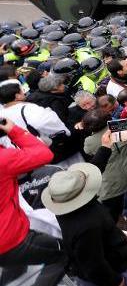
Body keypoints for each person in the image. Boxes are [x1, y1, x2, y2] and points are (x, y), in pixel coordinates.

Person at [42, 162, 127, 286]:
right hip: (112, 275)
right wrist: (117, 282)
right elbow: (94, 264)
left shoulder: (67, 213)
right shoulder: (87, 225)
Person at [0, 116, 66, 286]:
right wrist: (14, 130)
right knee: (64, 253)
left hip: (10, 236)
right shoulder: (4, 159)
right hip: (9, 239)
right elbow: (44, 153)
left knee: (17, 262)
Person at [0, 79, 84, 167]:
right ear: (17, 96)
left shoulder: (2, 115)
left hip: (26, 159)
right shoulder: (27, 108)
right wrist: (66, 132)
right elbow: (48, 122)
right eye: (21, 91)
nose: (24, 93)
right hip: (51, 151)